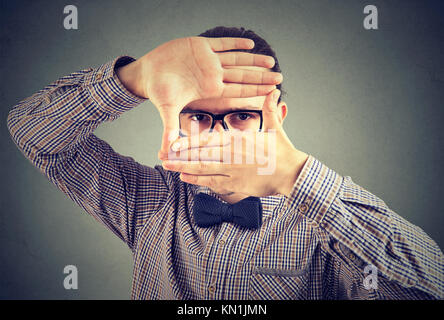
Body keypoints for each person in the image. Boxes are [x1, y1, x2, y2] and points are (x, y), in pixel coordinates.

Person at [6, 26, 443, 299]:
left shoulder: (327, 226)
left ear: (275, 119)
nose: (218, 134)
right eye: (198, 116)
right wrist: (133, 78)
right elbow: (34, 134)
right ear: (175, 119)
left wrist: (294, 173)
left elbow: (428, 288)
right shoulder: (149, 201)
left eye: (241, 116)